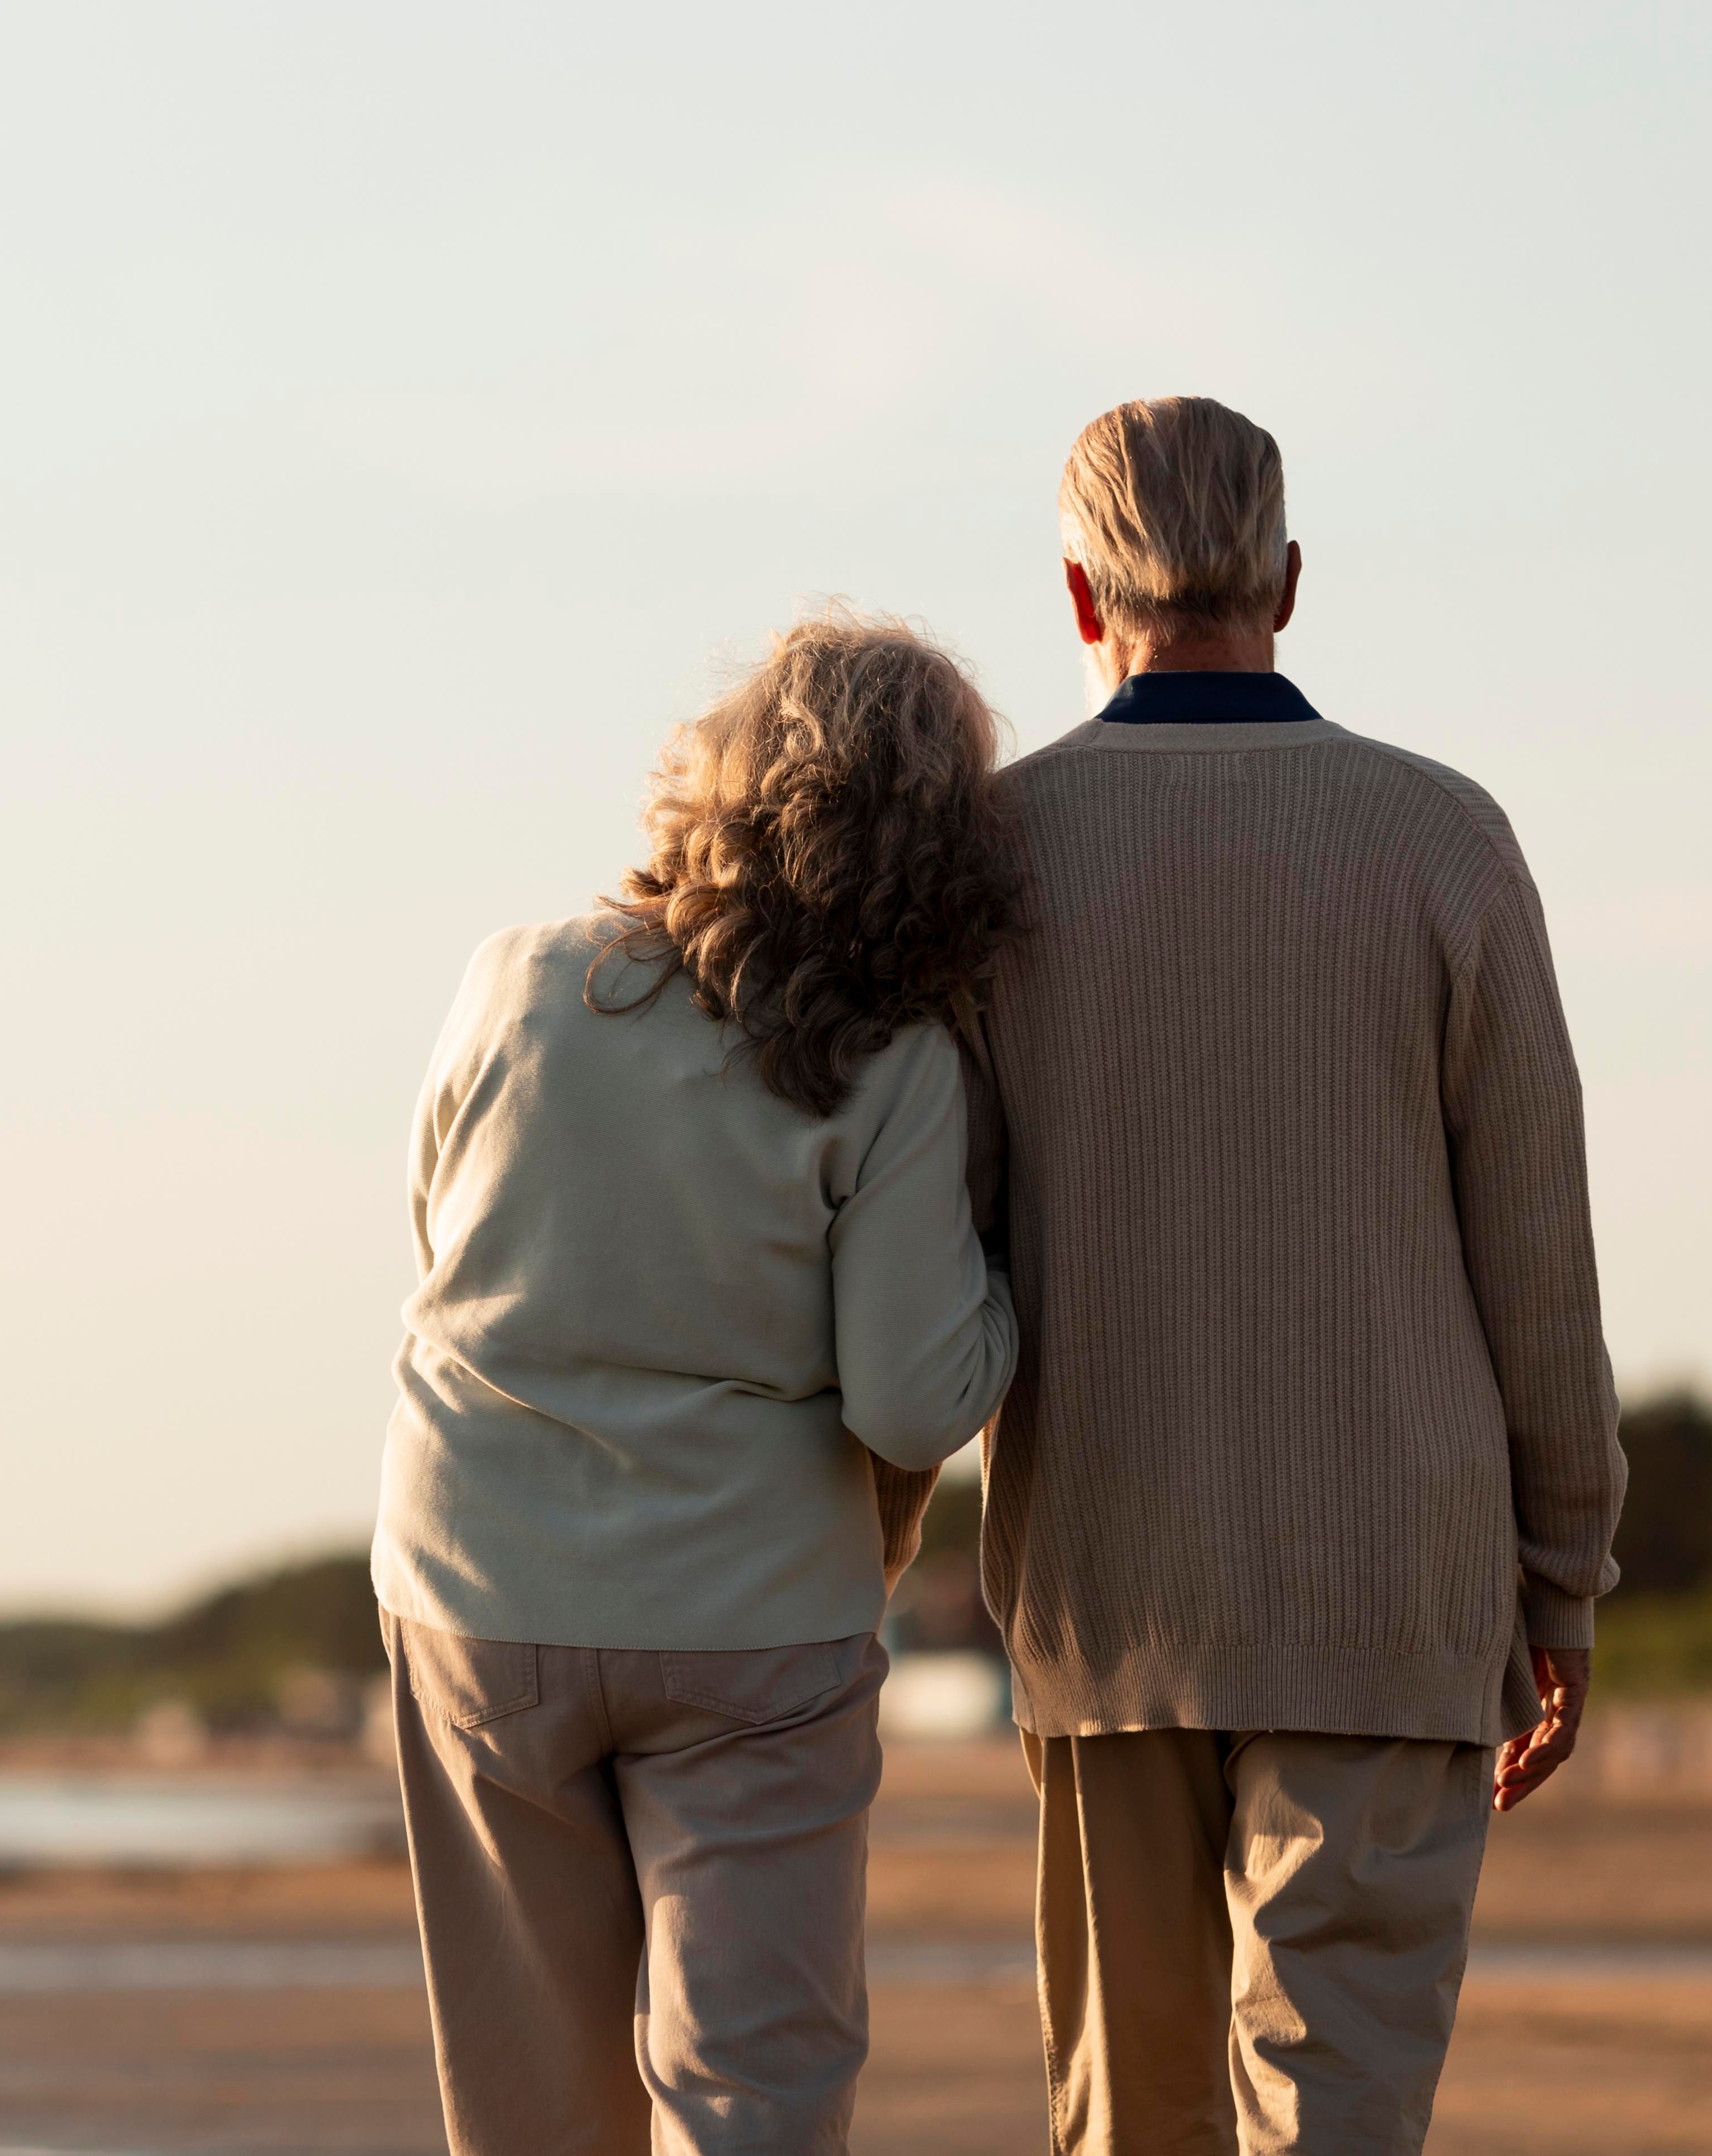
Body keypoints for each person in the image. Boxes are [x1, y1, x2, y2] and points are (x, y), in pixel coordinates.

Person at [976, 397, 1627, 2153]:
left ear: (1075, 593)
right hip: (1389, 1583)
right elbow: (1538, 1256)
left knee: (1137, 2124)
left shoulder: (994, 858)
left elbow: (933, 1252)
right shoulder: (1443, 839)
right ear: (1287, 576)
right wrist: (1562, 1573)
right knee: (1338, 2121)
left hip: (1109, 1592)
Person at [370, 612, 1026, 2156]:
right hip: (753, 1619)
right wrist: (1011, 1294)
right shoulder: (897, 1061)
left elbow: (438, 1228)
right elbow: (914, 1401)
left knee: (531, 2106)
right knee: (755, 2095)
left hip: (482, 1586)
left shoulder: (516, 981)